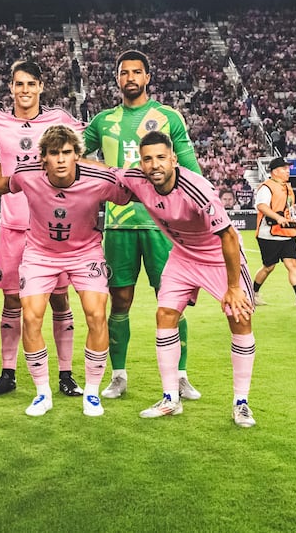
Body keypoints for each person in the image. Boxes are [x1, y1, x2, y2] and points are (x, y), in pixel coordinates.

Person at [116, 131, 257, 427]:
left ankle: (241, 403)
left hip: (218, 255)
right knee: (165, 314)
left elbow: (229, 236)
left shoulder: (197, 189)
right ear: (141, 163)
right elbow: (104, 172)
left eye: (161, 158)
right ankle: (170, 399)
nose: (155, 165)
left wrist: (233, 288)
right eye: (148, 159)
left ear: (174, 159)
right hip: (183, 255)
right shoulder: (137, 179)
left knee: (240, 317)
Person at [83, 49, 202, 401]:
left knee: (172, 300)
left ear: (148, 77)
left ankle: (180, 376)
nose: (130, 78)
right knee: (119, 301)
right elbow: (72, 153)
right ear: (117, 78)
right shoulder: (103, 121)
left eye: (137, 72)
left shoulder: (168, 117)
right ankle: (118, 375)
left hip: (163, 227)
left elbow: (191, 169)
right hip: (118, 227)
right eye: (124, 72)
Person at [0, 125, 131, 417]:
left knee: (96, 314)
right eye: (54, 153)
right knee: (30, 317)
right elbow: (3, 184)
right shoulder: (27, 175)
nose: (61, 159)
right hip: (40, 254)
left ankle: (91, 393)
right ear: (44, 158)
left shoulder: (100, 179)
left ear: (77, 155)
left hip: (85, 252)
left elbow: (133, 191)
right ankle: (42, 393)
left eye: (67, 152)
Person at [0, 60, 87, 399]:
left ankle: (65, 375)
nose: (24, 90)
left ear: (41, 87)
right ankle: (8, 373)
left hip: (54, 228)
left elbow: (83, 147)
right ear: (11, 88)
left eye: (30, 84)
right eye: (18, 84)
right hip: (12, 226)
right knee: (11, 300)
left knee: (59, 299)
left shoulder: (60, 120)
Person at [252, 157, 296, 308]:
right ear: (275, 171)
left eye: (288, 168)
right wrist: (278, 218)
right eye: (284, 168)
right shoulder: (266, 187)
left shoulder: (287, 187)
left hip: (287, 232)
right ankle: (253, 293)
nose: (288, 171)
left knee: (292, 264)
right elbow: (261, 206)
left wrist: (293, 220)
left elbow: (290, 208)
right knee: (269, 266)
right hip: (269, 233)